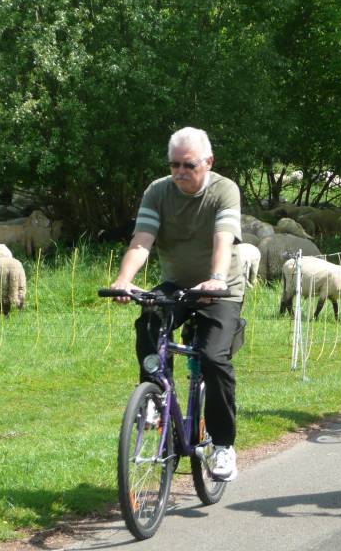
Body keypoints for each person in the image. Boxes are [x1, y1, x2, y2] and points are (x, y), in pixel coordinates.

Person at [110, 126, 244, 481]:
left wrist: (216, 276)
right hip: (177, 283)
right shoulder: (158, 192)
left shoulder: (224, 190)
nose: (180, 172)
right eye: (174, 165)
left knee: (214, 359)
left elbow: (223, 238)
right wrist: (124, 280)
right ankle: (155, 399)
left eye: (188, 164)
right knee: (148, 318)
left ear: (208, 162)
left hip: (221, 287)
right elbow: (142, 241)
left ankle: (223, 445)